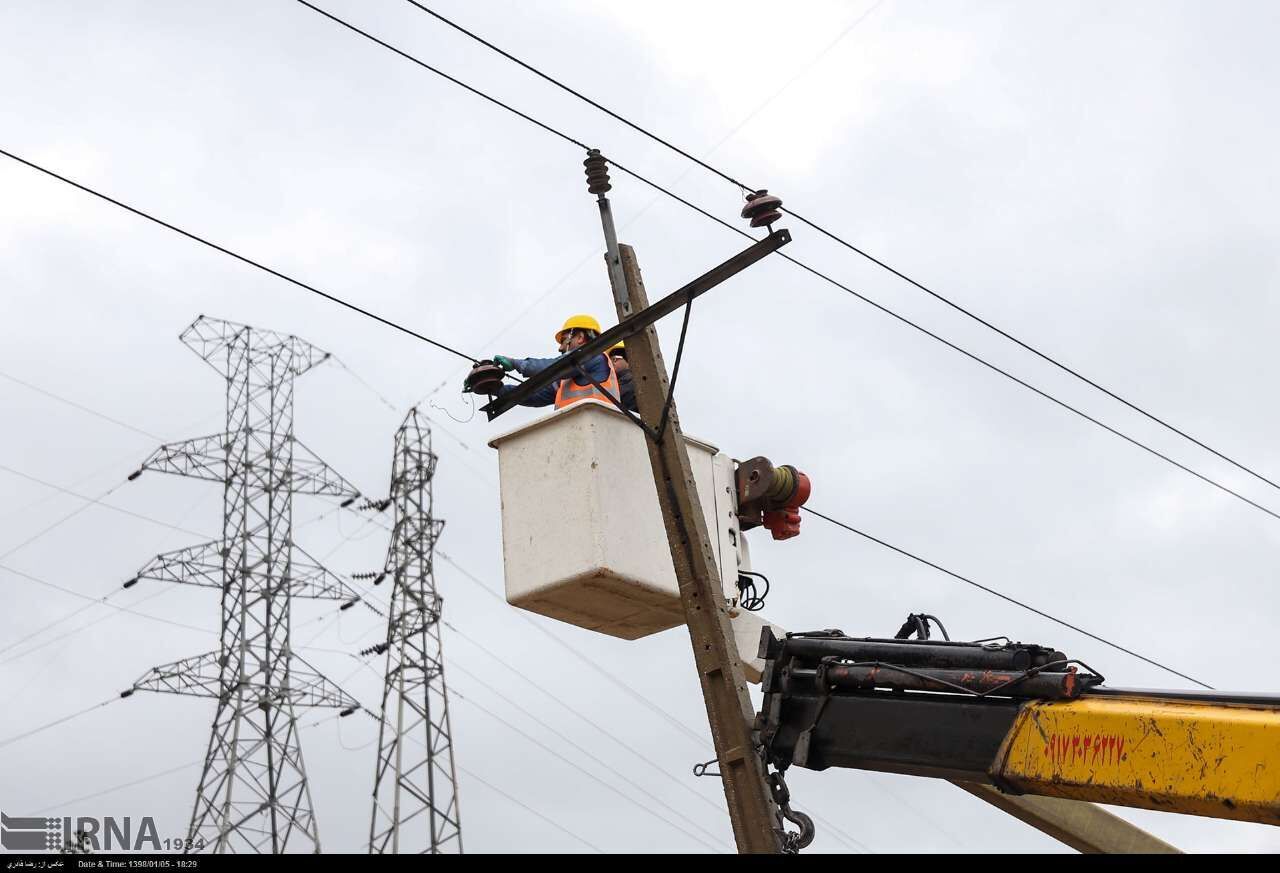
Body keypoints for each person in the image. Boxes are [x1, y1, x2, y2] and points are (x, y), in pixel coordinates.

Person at [492, 315, 620, 409]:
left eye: (564, 340)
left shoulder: (593, 356)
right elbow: (536, 396)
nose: (560, 348)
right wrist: (497, 389)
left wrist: (515, 363)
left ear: (580, 337)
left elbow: (551, 367)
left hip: (597, 424)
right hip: (578, 428)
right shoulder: (568, 376)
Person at [607, 341, 637, 412]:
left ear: (629, 360)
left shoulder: (635, 382)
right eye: (609, 361)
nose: (611, 364)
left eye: (614, 359)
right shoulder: (614, 383)